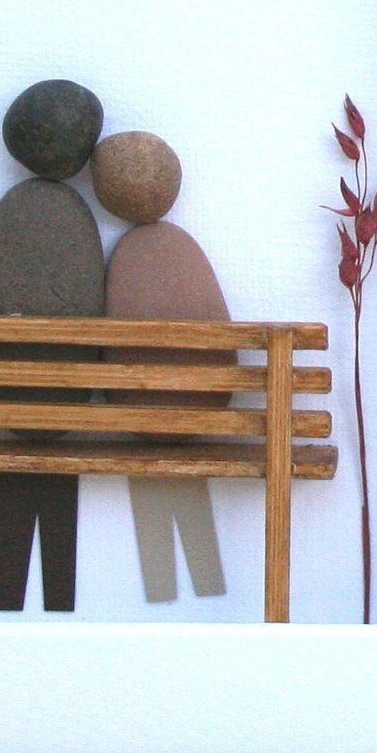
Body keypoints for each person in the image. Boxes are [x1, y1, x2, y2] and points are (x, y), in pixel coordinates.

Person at [0, 78, 107, 612]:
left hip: (17, 415)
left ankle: (26, 610)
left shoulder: (31, 214)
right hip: (54, 419)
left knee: (29, 581)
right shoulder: (51, 217)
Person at [90, 129, 233, 602]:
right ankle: (183, 595)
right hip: (186, 421)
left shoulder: (147, 255)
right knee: (182, 558)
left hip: (154, 422)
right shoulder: (163, 252)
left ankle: (177, 594)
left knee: (173, 551)